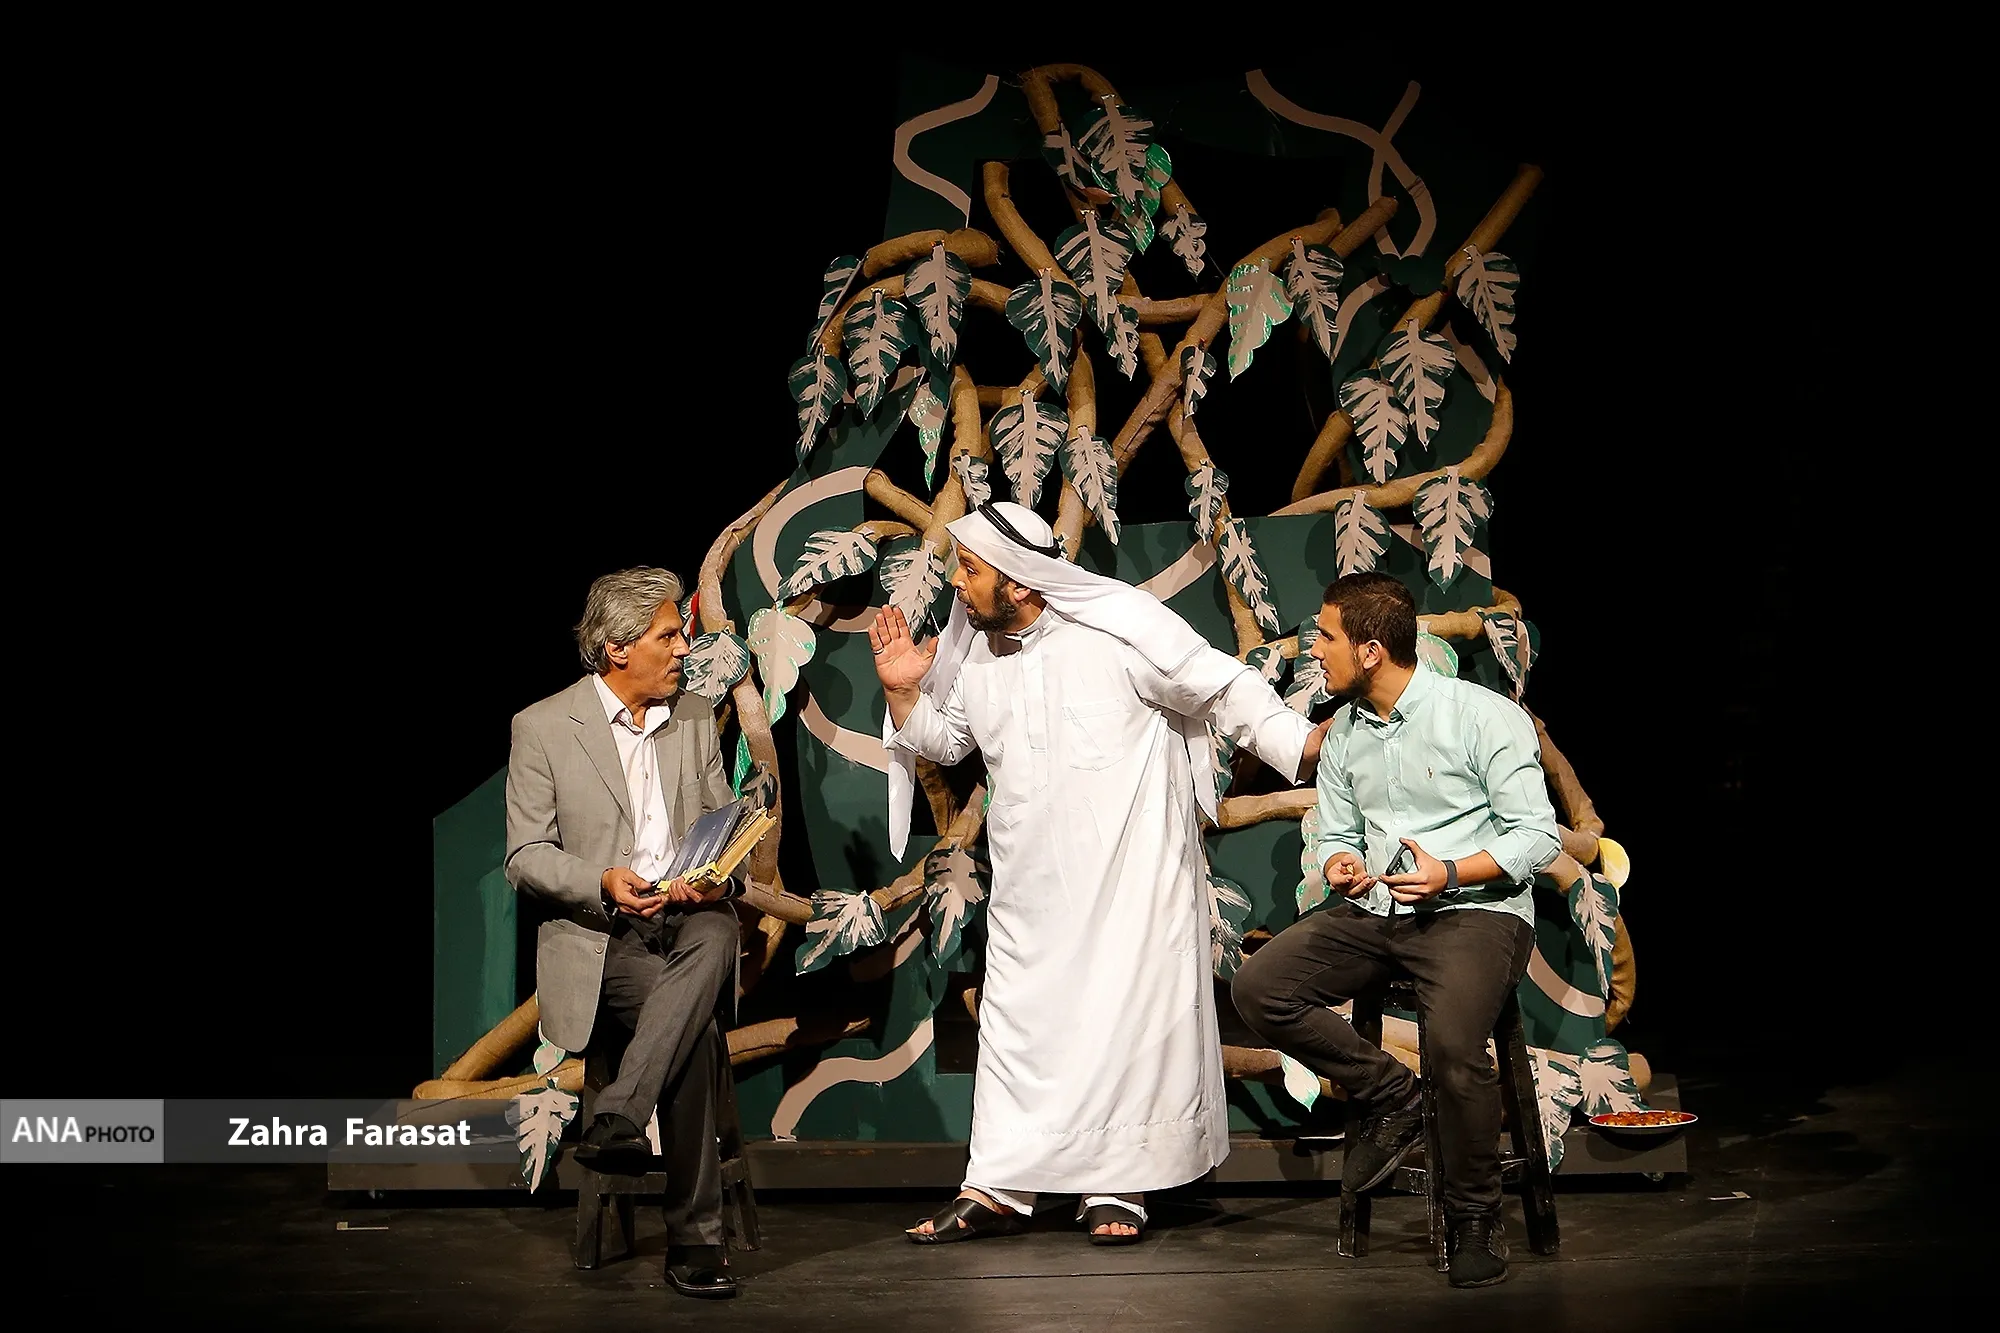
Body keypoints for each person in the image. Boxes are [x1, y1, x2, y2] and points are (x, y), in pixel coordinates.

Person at [869, 500, 1332, 1245]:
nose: (956, 582)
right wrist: (901, 691)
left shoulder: (1119, 628)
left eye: (971, 569)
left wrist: (1298, 743)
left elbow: (1220, 686)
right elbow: (948, 741)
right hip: (1029, 886)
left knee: (1122, 1029)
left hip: (1129, 878)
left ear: (1020, 580)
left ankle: (1116, 1185)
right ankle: (998, 1184)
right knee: (1018, 1031)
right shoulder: (977, 653)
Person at [1230, 570, 1562, 1289]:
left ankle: (1474, 1216)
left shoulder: (1481, 716)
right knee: (1261, 986)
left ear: (1371, 650)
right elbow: (1337, 833)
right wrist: (1341, 861)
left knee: (1453, 1047)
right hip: (1382, 912)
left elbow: (1537, 836)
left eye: (1326, 637)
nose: (1315, 651)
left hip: (1478, 912)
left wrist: (1451, 872)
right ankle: (1391, 1093)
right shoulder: (1345, 733)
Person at [504, 566, 743, 1300]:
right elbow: (525, 856)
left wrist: (716, 873)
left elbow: (723, 822)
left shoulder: (695, 716)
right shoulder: (544, 727)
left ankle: (616, 1117)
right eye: (668, 636)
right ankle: (696, 1240)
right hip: (605, 936)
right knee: (694, 1032)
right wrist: (603, 880)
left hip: (688, 921)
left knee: (717, 928)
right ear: (617, 648)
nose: (683, 649)